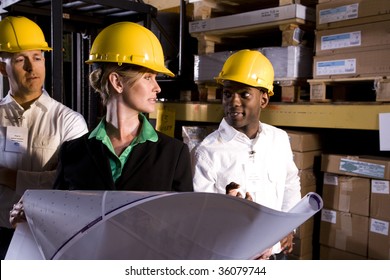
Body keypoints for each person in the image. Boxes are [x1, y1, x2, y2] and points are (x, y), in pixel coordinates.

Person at [192, 49, 301, 260]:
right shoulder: (208, 151)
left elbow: (290, 183)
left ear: (263, 100)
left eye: (244, 94)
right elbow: (204, 217)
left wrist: (289, 227)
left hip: (275, 255)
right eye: (227, 93)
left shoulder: (278, 140)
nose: (234, 101)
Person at [0, 16, 88, 259]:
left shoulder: (70, 121)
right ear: (1, 67)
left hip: (46, 237)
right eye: (20, 60)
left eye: (37, 58)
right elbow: (53, 180)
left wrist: (6, 176)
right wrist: (43, 177)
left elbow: (70, 187)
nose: (32, 67)